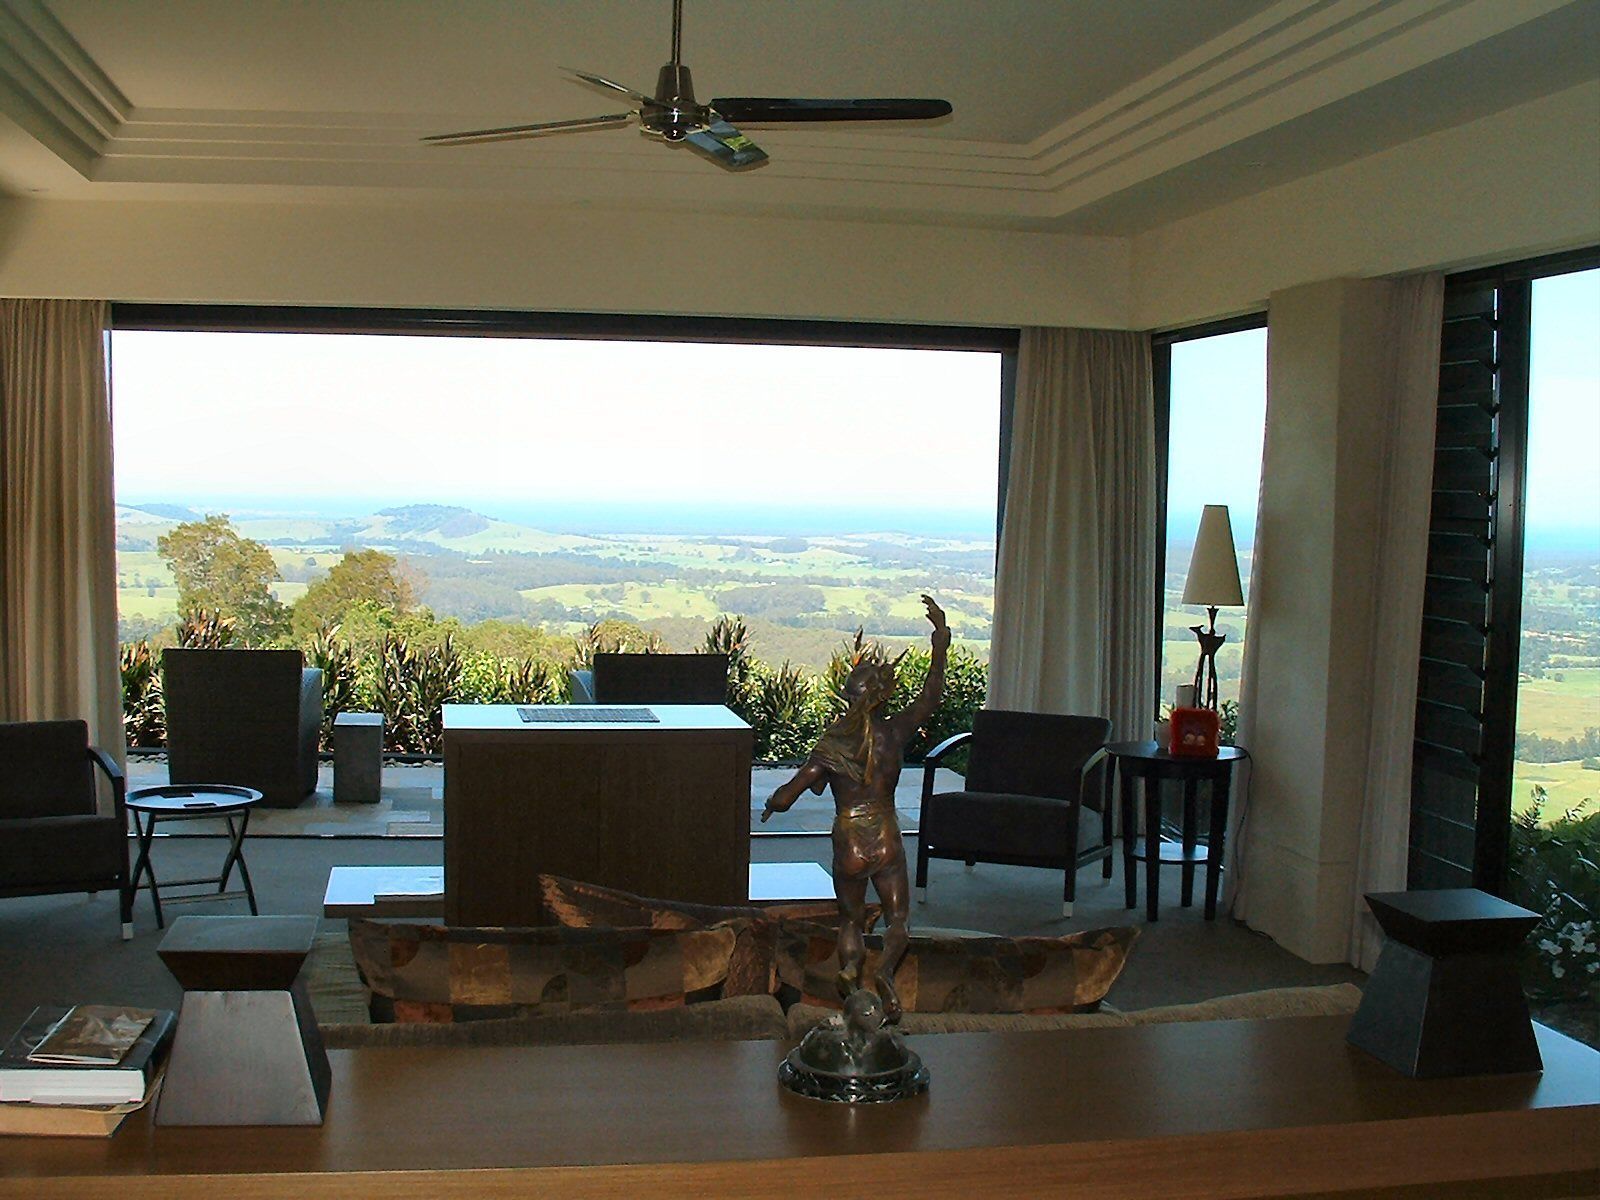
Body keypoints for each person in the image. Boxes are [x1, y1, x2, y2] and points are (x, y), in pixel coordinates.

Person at [761, 595, 949, 1019]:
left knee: (849, 919)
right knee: (897, 917)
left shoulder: (832, 744)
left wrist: (772, 805)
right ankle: (884, 972)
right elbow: (931, 696)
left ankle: (850, 969)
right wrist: (940, 641)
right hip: (884, 832)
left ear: (850, 696)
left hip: (848, 837)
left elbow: (789, 795)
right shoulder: (896, 731)